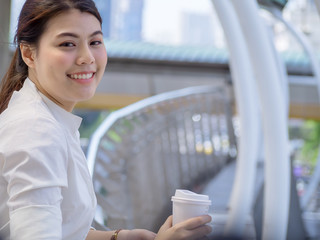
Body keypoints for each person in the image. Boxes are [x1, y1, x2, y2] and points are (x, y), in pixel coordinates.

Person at [0, 0, 212, 239]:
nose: (86, 57)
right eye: (67, 43)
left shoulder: (49, 117)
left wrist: (119, 237)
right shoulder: (36, 131)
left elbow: (61, 229)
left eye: (95, 42)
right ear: (28, 53)